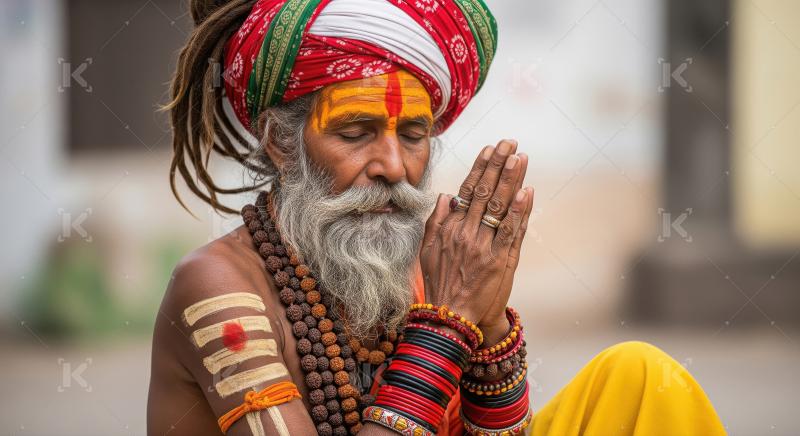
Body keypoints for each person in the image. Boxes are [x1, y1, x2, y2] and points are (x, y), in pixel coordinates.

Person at [147, 1, 727, 435]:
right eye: (355, 133)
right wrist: (448, 324)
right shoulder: (218, 291)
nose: (394, 166)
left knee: (640, 378)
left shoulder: (425, 266)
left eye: (414, 134)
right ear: (280, 141)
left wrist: (490, 326)